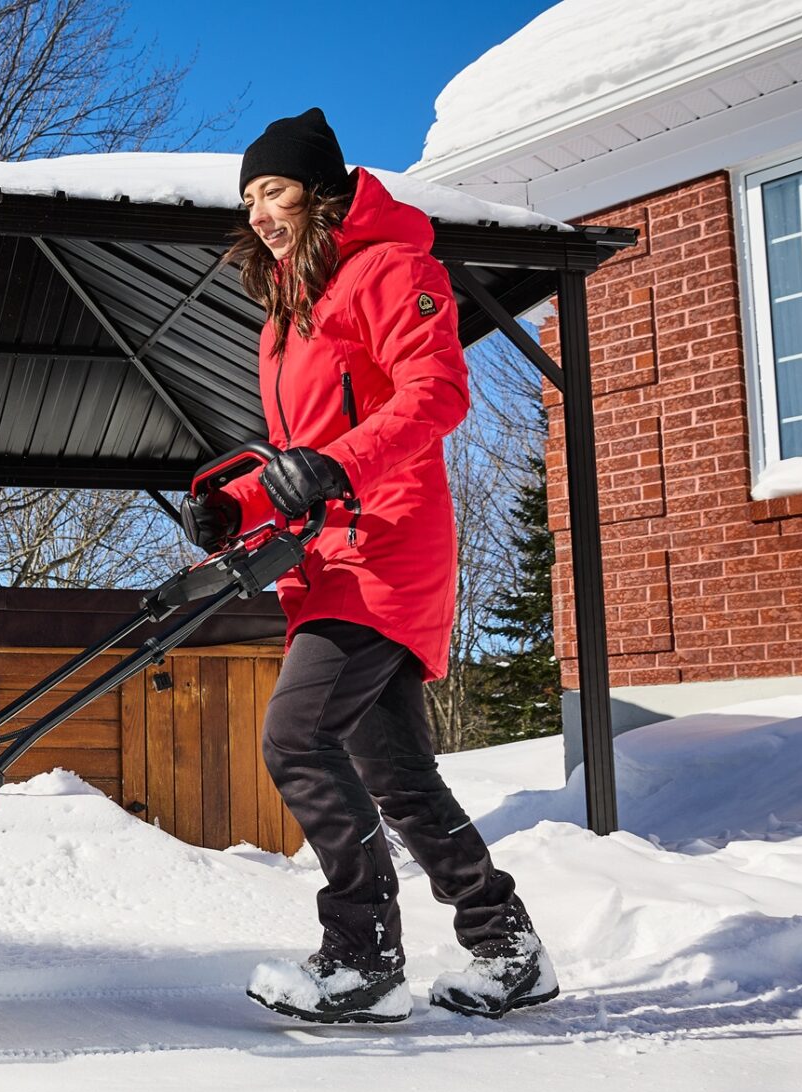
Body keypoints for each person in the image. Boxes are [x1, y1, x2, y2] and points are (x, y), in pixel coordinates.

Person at [181, 108, 557, 1024]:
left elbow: (437, 394)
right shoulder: (287, 315)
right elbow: (303, 457)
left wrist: (336, 468)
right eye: (249, 197)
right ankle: (507, 949)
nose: (259, 212)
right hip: (328, 558)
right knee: (398, 775)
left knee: (295, 737)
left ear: (321, 191)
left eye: (274, 190)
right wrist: (236, 506)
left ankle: (363, 956)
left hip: (387, 548)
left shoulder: (393, 269)